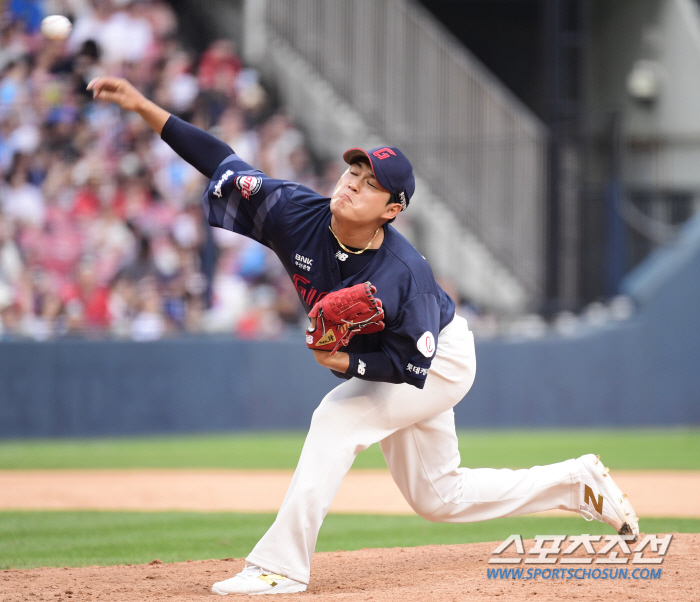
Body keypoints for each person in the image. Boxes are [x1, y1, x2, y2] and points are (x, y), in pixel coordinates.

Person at [87, 77, 640, 596]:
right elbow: (221, 162)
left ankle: (279, 567)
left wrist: (347, 364)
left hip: (436, 360)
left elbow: (408, 367)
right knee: (438, 497)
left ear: (392, 210)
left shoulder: (404, 275)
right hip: (391, 358)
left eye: (370, 184)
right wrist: (143, 107)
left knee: (337, 417)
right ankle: (575, 483)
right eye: (354, 171)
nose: (353, 183)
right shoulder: (291, 211)